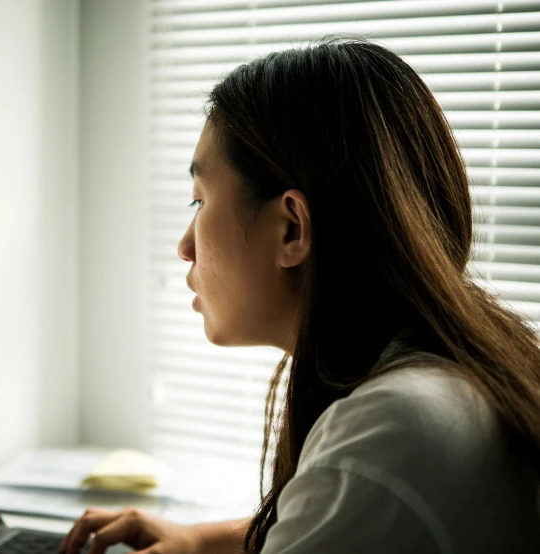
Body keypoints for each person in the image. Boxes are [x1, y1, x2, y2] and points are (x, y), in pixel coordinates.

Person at [59, 36, 540, 554]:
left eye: (200, 200)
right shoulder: (447, 380)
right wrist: (199, 541)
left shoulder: (390, 433)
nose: (184, 246)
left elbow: (366, 489)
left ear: (292, 228)